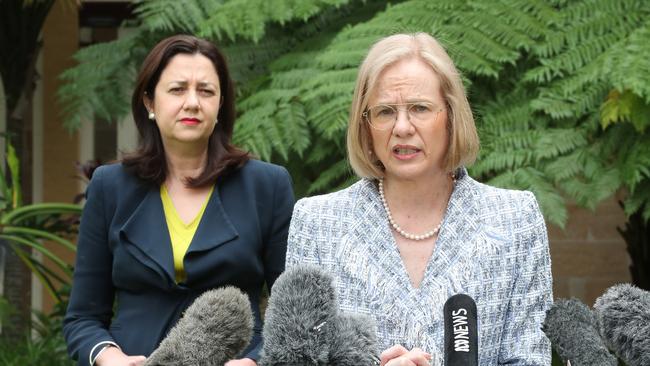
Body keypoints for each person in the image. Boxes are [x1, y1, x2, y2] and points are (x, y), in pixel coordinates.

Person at [286, 33, 553, 365]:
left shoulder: (514, 220)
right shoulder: (317, 224)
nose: (402, 127)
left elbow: (529, 358)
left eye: (420, 108)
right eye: (384, 112)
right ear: (365, 125)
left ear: (452, 116)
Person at [63, 35, 294, 366]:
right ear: (149, 102)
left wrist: (257, 361)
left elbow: (294, 312)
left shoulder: (266, 186)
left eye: (206, 91)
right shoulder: (110, 186)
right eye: (177, 89)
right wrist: (109, 357)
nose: (192, 103)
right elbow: (82, 318)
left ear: (221, 104)